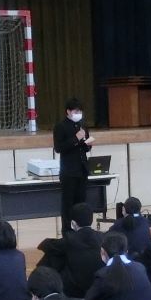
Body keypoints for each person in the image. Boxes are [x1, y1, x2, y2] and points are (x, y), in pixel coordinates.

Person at [38, 201, 103, 299]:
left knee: (54, 255)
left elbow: (45, 245)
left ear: (73, 223)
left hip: (74, 290)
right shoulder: (102, 237)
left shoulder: (70, 239)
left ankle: (40, 288)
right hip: (98, 286)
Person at [53, 97, 94, 229]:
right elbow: (59, 148)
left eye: (80, 111)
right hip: (69, 172)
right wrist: (76, 139)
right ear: (68, 112)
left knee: (81, 203)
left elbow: (85, 148)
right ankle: (67, 231)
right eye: (76, 111)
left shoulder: (82, 126)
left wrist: (88, 144)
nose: (78, 114)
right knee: (68, 205)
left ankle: (81, 229)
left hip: (82, 170)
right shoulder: (60, 127)